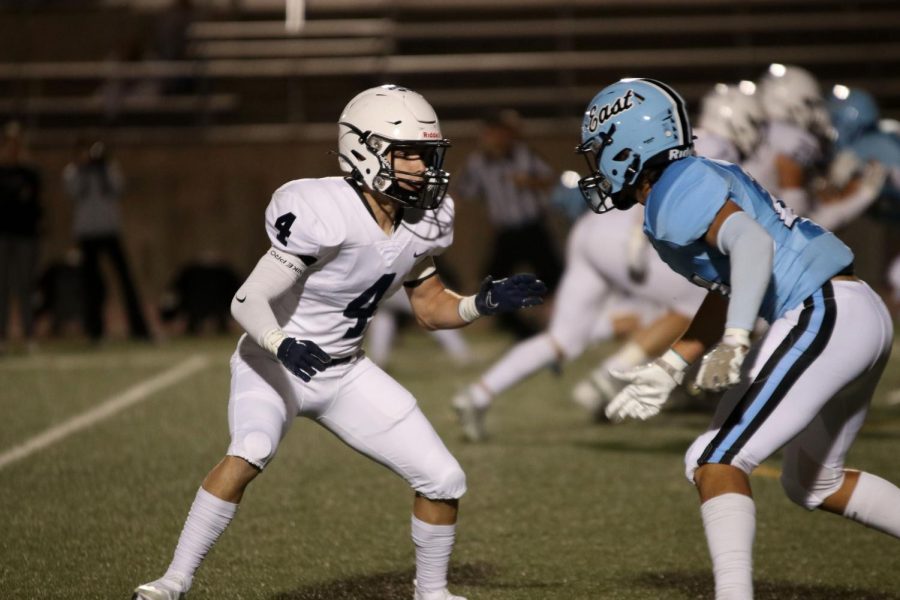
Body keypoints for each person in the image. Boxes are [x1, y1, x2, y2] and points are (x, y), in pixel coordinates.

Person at [132, 84, 546, 600]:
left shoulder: (424, 219)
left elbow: (430, 308)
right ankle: (173, 582)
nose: (422, 167)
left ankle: (432, 594)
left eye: (426, 155)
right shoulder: (320, 209)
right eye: (408, 154)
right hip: (274, 362)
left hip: (345, 371)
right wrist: (282, 345)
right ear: (364, 150)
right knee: (251, 450)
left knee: (444, 479)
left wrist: (478, 304)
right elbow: (246, 301)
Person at [577, 78, 900, 600]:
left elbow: (751, 245)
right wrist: (671, 364)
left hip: (822, 312)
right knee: (814, 482)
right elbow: (732, 280)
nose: (597, 164)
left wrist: (733, 341)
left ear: (626, 143)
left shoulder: (676, 189)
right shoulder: (691, 177)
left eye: (599, 149)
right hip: (846, 311)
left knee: (716, 460)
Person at [451, 199, 705, 441]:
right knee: (700, 303)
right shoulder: (723, 159)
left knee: (562, 339)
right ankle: (612, 374)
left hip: (592, 227)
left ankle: (477, 395)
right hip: (627, 235)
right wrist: (638, 237)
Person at [454, 110, 563, 338]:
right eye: (487, 135)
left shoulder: (524, 155)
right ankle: (522, 332)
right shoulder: (478, 163)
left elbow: (552, 180)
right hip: (506, 234)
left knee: (555, 279)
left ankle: (560, 324)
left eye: (495, 134)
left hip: (532, 228)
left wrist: (530, 182)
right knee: (491, 286)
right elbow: (462, 191)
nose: (491, 140)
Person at [62, 140, 150, 342]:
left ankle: (139, 328)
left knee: (125, 280)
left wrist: (102, 170)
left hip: (109, 231)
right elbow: (74, 191)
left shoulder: (109, 169)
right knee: (91, 285)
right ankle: (94, 330)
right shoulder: (73, 171)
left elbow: (118, 188)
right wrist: (83, 168)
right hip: (86, 233)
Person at [0, 121, 42, 353]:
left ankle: (29, 334)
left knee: (25, 286)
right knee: (2, 287)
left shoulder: (30, 173)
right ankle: (2, 335)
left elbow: (34, 205)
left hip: (26, 236)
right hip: (3, 236)